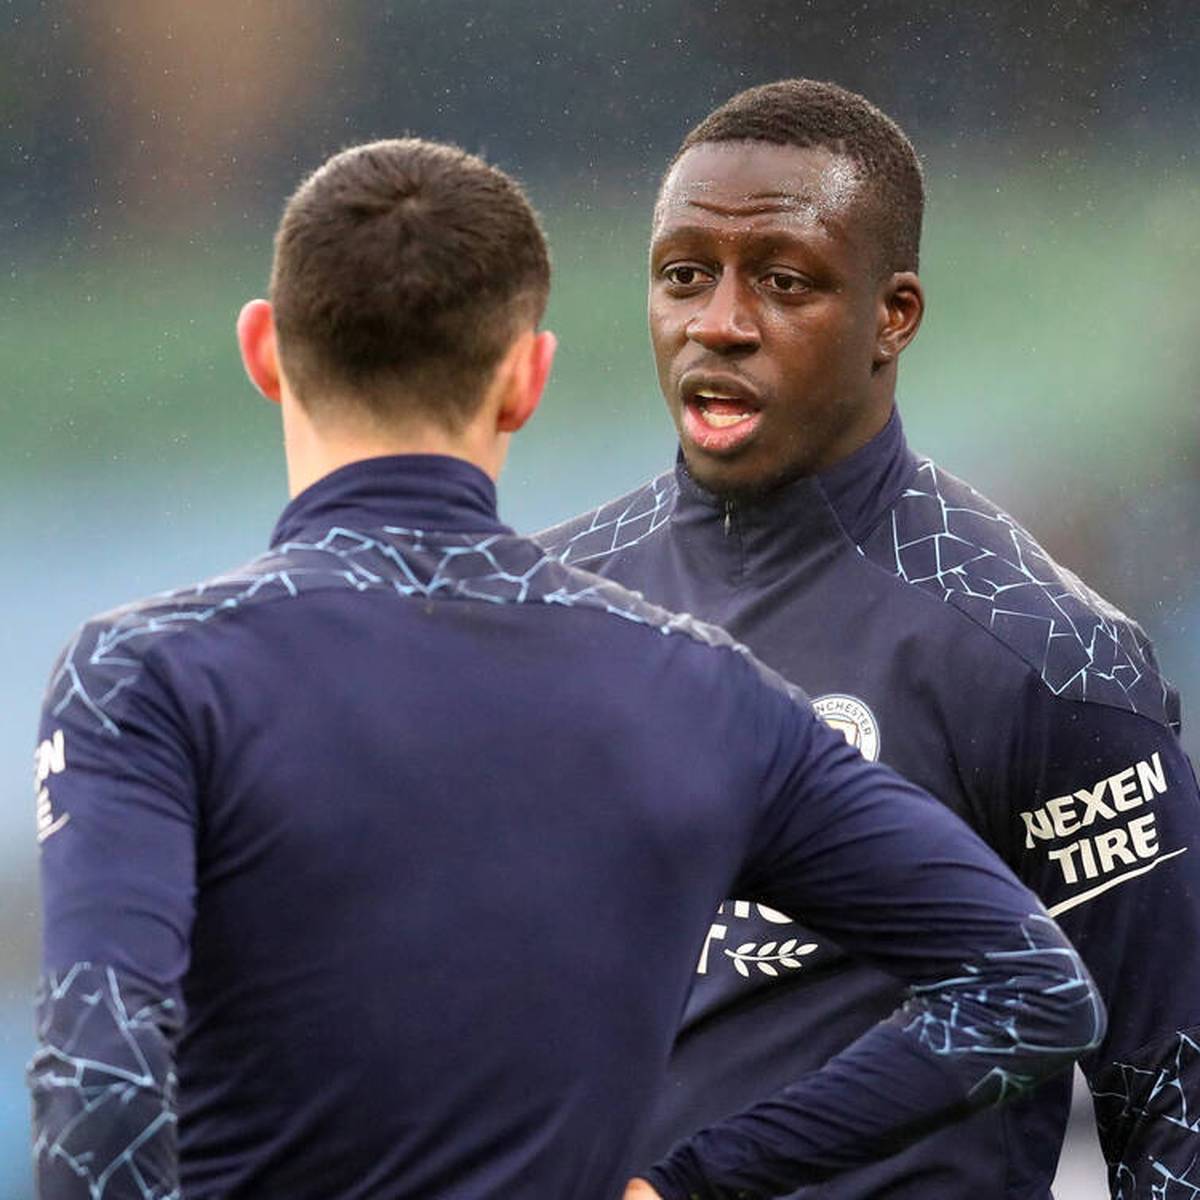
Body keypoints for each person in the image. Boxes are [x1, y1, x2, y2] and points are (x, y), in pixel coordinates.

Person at [26, 136, 1100, 1200]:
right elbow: (1031, 989)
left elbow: (102, 1091)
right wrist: (695, 1184)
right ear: (527, 376)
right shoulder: (700, 690)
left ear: (263, 351)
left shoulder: (145, 681)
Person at [536, 80, 1200, 1198]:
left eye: (783, 281)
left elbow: (1177, 1095)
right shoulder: (543, 608)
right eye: (685, 275)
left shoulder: (1045, 655)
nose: (718, 323)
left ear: (893, 316)